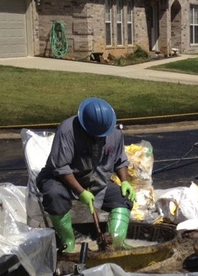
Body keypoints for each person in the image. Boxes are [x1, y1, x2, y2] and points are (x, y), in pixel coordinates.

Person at [37, 97, 136, 253]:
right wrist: (81, 192)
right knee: (54, 195)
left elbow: (120, 160)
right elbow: (61, 167)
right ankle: (68, 242)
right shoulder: (67, 131)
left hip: (96, 181)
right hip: (60, 180)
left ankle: (115, 242)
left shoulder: (115, 132)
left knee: (123, 198)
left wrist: (125, 182)